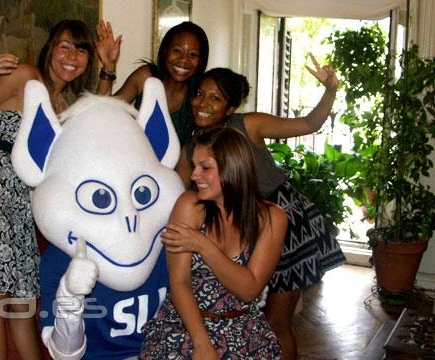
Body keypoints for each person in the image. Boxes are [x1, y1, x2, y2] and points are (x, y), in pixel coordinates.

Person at [0, 19, 119, 360]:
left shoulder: (63, 105)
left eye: (81, 50)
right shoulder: (25, 77)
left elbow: (95, 119)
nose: (72, 55)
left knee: (22, 307)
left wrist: (109, 69)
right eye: (65, 45)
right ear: (50, 47)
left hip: (22, 203)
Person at [177, 55, 347, 359]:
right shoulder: (191, 148)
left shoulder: (248, 124)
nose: (203, 103)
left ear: (230, 108)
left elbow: (310, 123)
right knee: (247, 316)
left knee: (276, 321)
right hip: (237, 228)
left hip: (285, 221)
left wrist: (330, 90)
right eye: (200, 94)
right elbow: (179, 193)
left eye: (216, 98)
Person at [140, 127, 288, 358]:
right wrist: (202, 343)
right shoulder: (190, 206)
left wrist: (203, 245)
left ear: (234, 169)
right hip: (187, 324)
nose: (193, 175)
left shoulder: (271, 218)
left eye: (205, 167)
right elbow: (179, 282)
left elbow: (249, 290)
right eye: (195, 165)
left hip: (243, 328)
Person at [101, 21, 209, 146]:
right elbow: (103, 111)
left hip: (173, 165)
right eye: (177, 51)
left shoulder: (199, 95)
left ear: (200, 61)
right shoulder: (145, 76)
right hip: (130, 159)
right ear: (165, 51)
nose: (184, 60)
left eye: (193, 55)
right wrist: (108, 65)